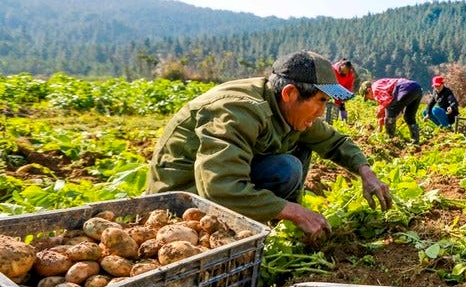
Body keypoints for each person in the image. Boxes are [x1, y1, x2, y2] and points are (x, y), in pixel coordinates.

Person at [146, 50, 393, 236]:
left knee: (300, 149)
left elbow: (334, 141)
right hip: (181, 201)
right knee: (287, 168)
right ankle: (250, 227)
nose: (321, 112)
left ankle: (267, 221)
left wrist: (366, 172)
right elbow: (220, 187)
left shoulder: (289, 109)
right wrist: (294, 212)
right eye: (320, 101)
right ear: (290, 93)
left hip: (214, 187)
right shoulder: (238, 111)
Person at [364, 77, 423, 143]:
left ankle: (390, 139)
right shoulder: (379, 84)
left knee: (390, 111)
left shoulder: (375, 89)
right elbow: (393, 103)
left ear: (369, 90)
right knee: (409, 116)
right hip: (417, 88)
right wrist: (381, 122)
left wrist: (379, 113)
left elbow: (387, 102)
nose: (370, 99)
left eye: (368, 97)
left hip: (405, 88)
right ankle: (415, 141)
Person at [325, 59, 359, 124]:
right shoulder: (333, 70)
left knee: (341, 105)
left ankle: (344, 121)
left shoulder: (350, 74)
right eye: (344, 71)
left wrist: (346, 94)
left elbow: (349, 85)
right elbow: (327, 80)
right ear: (340, 67)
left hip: (340, 90)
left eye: (346, 71)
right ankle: (323, 118)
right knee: (324, 102)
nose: (345, 73)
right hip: (329, 87)